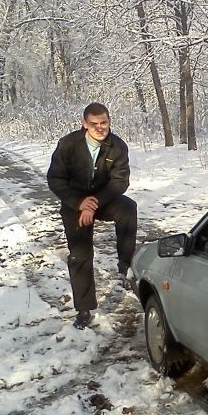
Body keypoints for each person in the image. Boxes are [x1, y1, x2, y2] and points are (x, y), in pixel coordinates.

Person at [47, 102, 137, 329]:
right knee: (80, 254)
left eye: (104, 123)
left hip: (103, 198)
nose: (100, 128)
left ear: (109, 121)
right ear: (84, 124)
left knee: (128, 208)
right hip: (74, 203)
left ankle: (126, 265)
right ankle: (84, 308)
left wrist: (94, 203)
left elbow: (120, 182)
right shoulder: (68, 145)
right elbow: (55, 179)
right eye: (94, 124)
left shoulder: (117, 147)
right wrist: (79, 204)